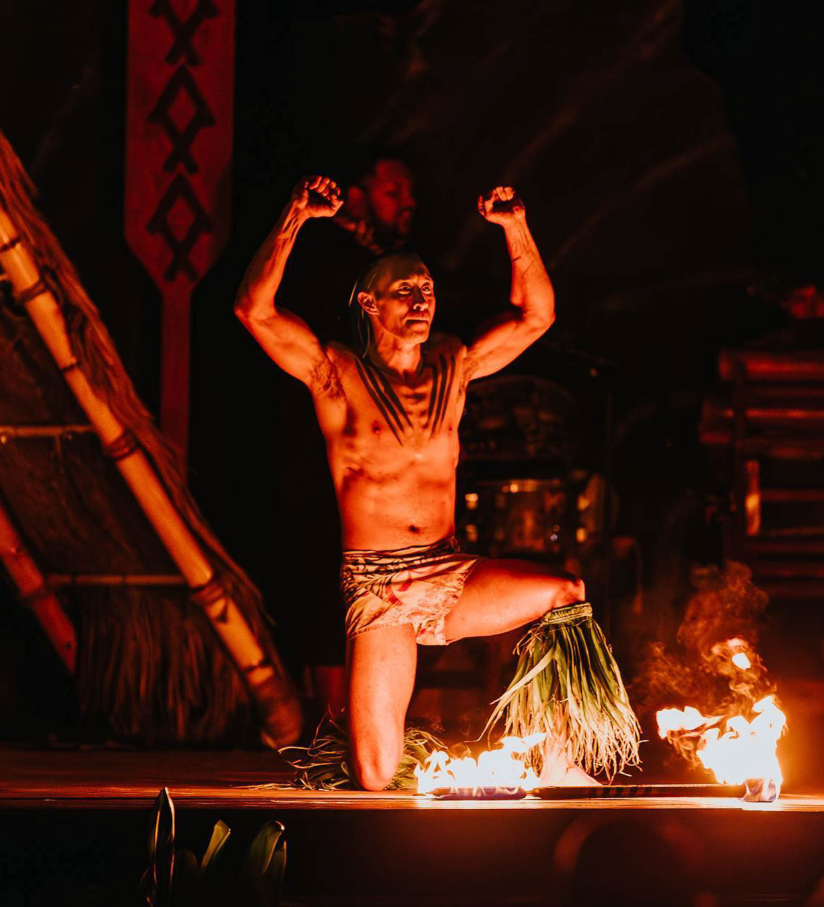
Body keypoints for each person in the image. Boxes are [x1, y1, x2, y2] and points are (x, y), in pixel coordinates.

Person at [236, 175, 638, 790]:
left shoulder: (454, 363)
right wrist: (294, 214)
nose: (422, 300)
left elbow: (538, 316)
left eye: (427, 289)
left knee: (565, 592)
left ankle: (559, 754)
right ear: (371, 305)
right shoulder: (334, 374)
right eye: (405, 291)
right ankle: (428, 763)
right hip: (380, 586)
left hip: (449, 573)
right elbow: (254, 310)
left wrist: (514, 227)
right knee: (375, 774)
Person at [276, 152, 417, 715]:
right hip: (324, 448)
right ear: (357, 198)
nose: (408, 204)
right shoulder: (329, 259)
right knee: (325, 579)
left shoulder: (387, 266)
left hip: (380, 452)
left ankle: (372, 722)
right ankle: (333, 726)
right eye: (395, 191)